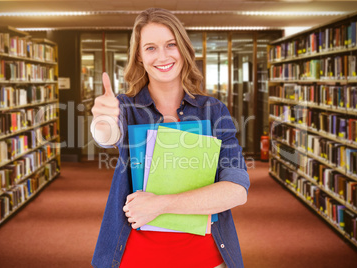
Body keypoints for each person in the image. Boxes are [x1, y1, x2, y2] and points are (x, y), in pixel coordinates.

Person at [90, 8, 250, 268]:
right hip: (136, 257)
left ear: (183, 50)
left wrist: (160, 205)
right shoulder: (127, 108)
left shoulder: (213, 110)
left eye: (170, 45)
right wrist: (102, 120)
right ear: (140, 58)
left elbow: (236, 190)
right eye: (150, 48)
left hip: (205, 258)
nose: (162, 56)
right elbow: (107, 136)